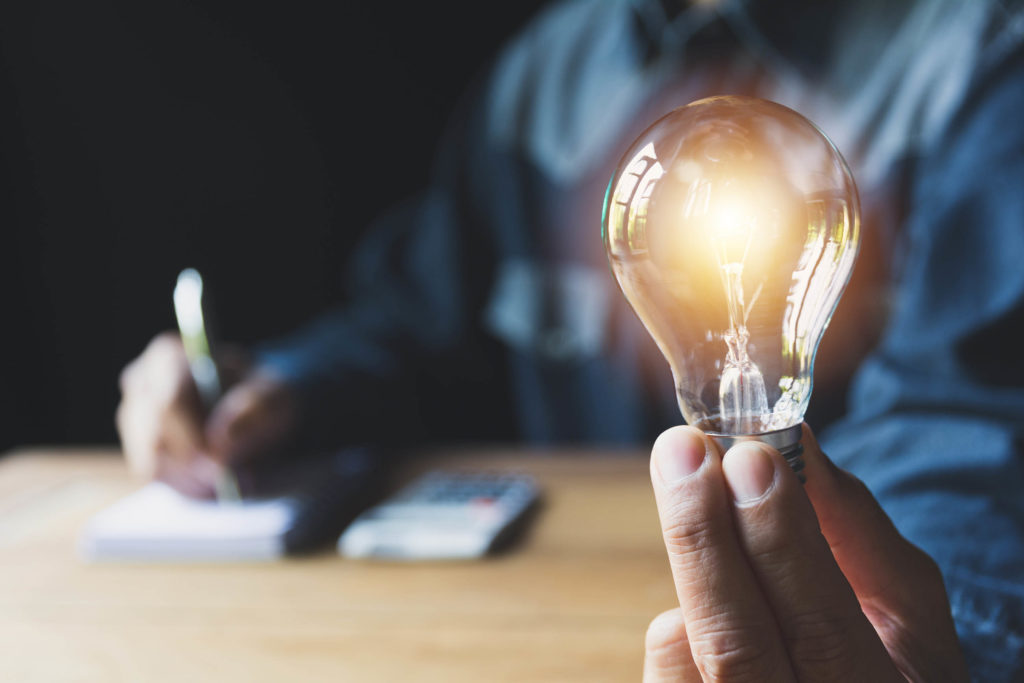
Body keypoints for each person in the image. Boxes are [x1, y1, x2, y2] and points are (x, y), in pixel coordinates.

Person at [116, 0, 1024, 678]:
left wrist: (923, 644)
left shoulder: (979, 61)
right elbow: (422, 321)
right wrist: (278, 389)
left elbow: (970, 431)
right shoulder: (547, 73)